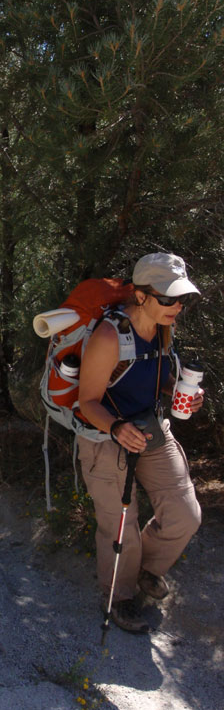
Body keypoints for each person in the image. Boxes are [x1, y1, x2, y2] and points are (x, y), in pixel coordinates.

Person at [77, 253, 204, 634]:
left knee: (185, 513)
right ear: (142, 296)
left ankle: (143, 570)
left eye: (180, 298)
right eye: (168, 299)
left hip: (149, 427)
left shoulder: (164, 329)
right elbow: (88, 401)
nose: (176, 307)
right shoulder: (108, 336)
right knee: (120, 526)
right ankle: (119, 597)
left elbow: (155, 377)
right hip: (105, 436)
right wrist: (116, 428)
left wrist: (181, 392)